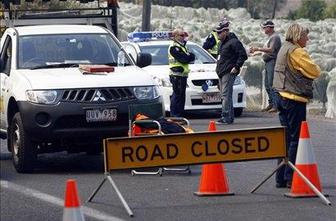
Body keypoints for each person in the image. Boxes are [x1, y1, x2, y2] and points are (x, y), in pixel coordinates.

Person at [273, 23, 321, 188]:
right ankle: (290, 177)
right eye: (305, 36)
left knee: (284, 138)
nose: (307, 38)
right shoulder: (297, 51)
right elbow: (315, 71)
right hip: (294, 99)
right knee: (295, 139)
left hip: (280, 96)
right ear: (297, 37)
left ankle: (280, 177)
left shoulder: (284, 48)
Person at [215, 20, 248, 124]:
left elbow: (243, 55)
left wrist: (236, 67)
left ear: (225, 31)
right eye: (217, 32)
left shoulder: (234, 42)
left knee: (225, 95)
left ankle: (225, 117)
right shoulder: (220, 43)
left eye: (219, 32)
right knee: (226, 96)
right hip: (221, 72)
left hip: (229, 72)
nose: (218, 34)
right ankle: (230, 117)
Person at [250, 20, 281, 113]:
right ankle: (271, 103)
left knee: (272, 84)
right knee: (267, 84)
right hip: (268, 62)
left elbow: (271, 50)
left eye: (264, 27)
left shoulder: (275, 37)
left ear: (269, 28)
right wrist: (257, 53)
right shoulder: (270, 37)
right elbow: (267, 50)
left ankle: (276, 105)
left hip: (272, 62)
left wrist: (258, 48)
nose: (263, 29)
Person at [168, 28, 195, 117]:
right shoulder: (174, 47)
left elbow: (192, 56)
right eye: (182, 35)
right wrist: (188, 56)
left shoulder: (182, 46)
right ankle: (175, 115)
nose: (184, 37)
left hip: (182, 75)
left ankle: (179, 115)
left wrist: (188, 56)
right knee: (177, 95)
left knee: (181, 96)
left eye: (184, 35)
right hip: (176, 75)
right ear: (176, 36)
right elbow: (184, 59)